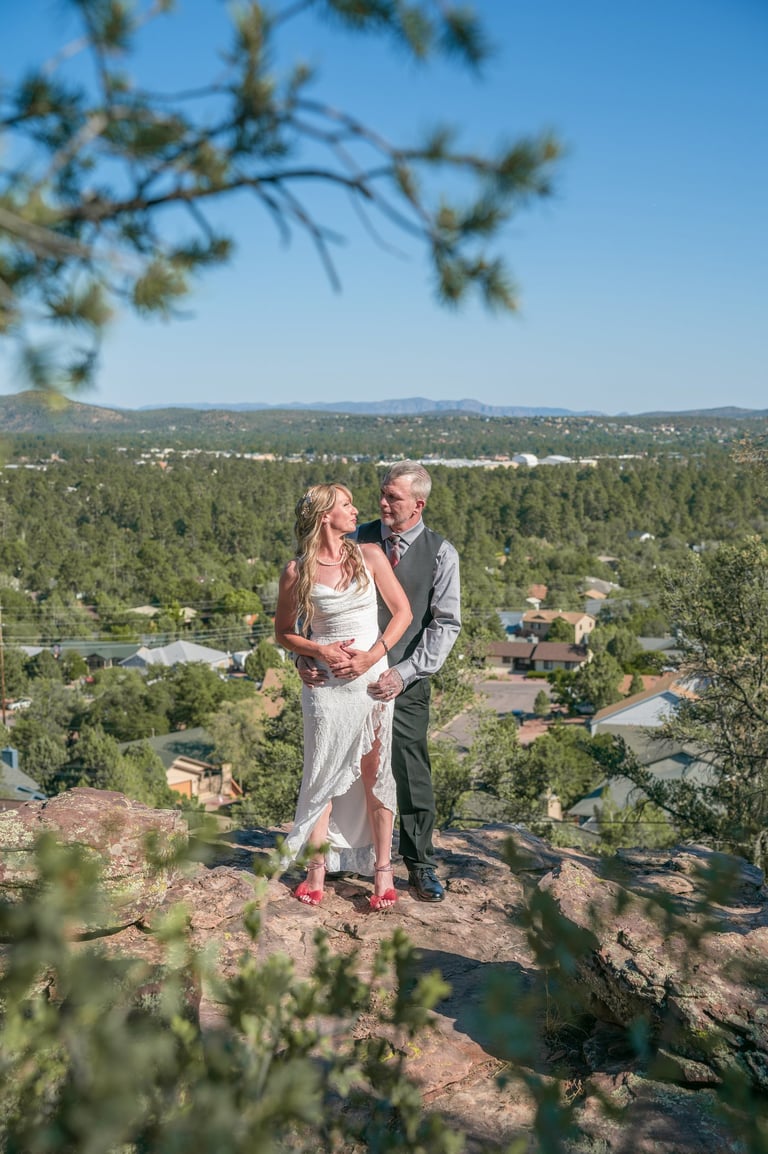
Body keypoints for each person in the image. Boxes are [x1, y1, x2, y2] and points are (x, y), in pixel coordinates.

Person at [299, 462, 461, 903]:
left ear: (418, 504)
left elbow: (445, 624)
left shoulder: (441, 553)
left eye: (394, 498)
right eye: (383, 494)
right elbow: (314, 605)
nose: (382, 503)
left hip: (405, 678)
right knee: (338, 770)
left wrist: (403, 673)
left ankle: (420, 864)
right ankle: (340, 858)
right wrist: (303, 655)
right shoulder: (355, 539)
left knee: (407, 770)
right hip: (342, 682)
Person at [274, 483, 412, 911]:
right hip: (324, 689)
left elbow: (402, 612)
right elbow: (284, 633)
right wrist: (317, 651)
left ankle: (383, 870)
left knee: (375, 772)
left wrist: (371, 656)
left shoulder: (369, 555)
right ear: (324, 516)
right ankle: (316, 871)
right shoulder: (297, 571)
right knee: (322, 773)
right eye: (346, 505)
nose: (357, 511)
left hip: (369, 684)